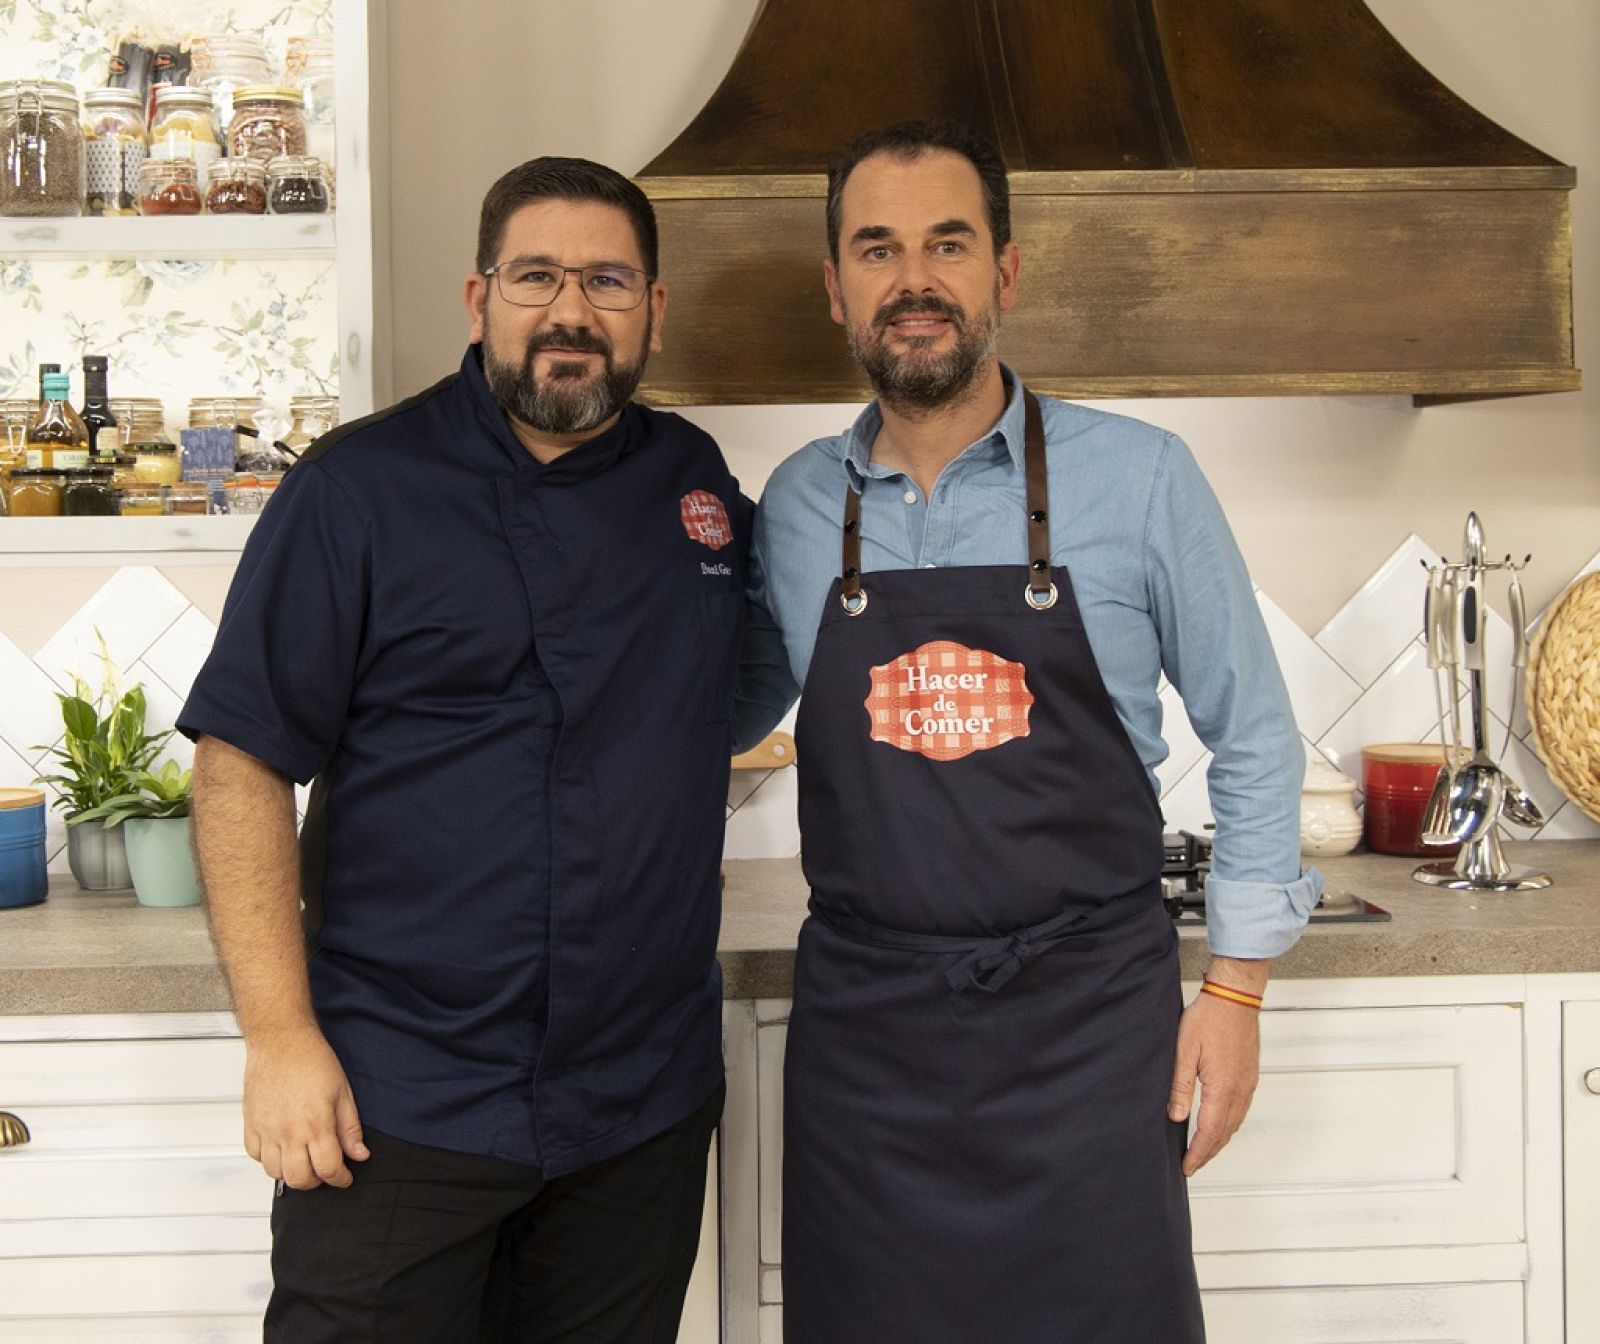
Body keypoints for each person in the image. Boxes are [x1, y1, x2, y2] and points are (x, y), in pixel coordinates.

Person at [752, 119, 1324, 1342]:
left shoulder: (1142, 477)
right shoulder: (796, 506)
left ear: (1003, 272)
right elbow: (711, 711)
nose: (914, 280)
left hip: (1089, 1030)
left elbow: (1255, 734)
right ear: (836, 288)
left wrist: (1235, 988)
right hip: (868, 1044)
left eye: (948, 244)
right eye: (877, 249)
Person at [180, 157, 757, 1343]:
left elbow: (726, 693)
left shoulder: (693, 483)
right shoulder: (357, 489)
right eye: (536, 276)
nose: (570, 311)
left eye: (607, 281)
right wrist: (279, 1040)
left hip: (637, 1108)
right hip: (399, 1102)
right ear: (479, 297)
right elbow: (240, 763)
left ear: (653, 309)